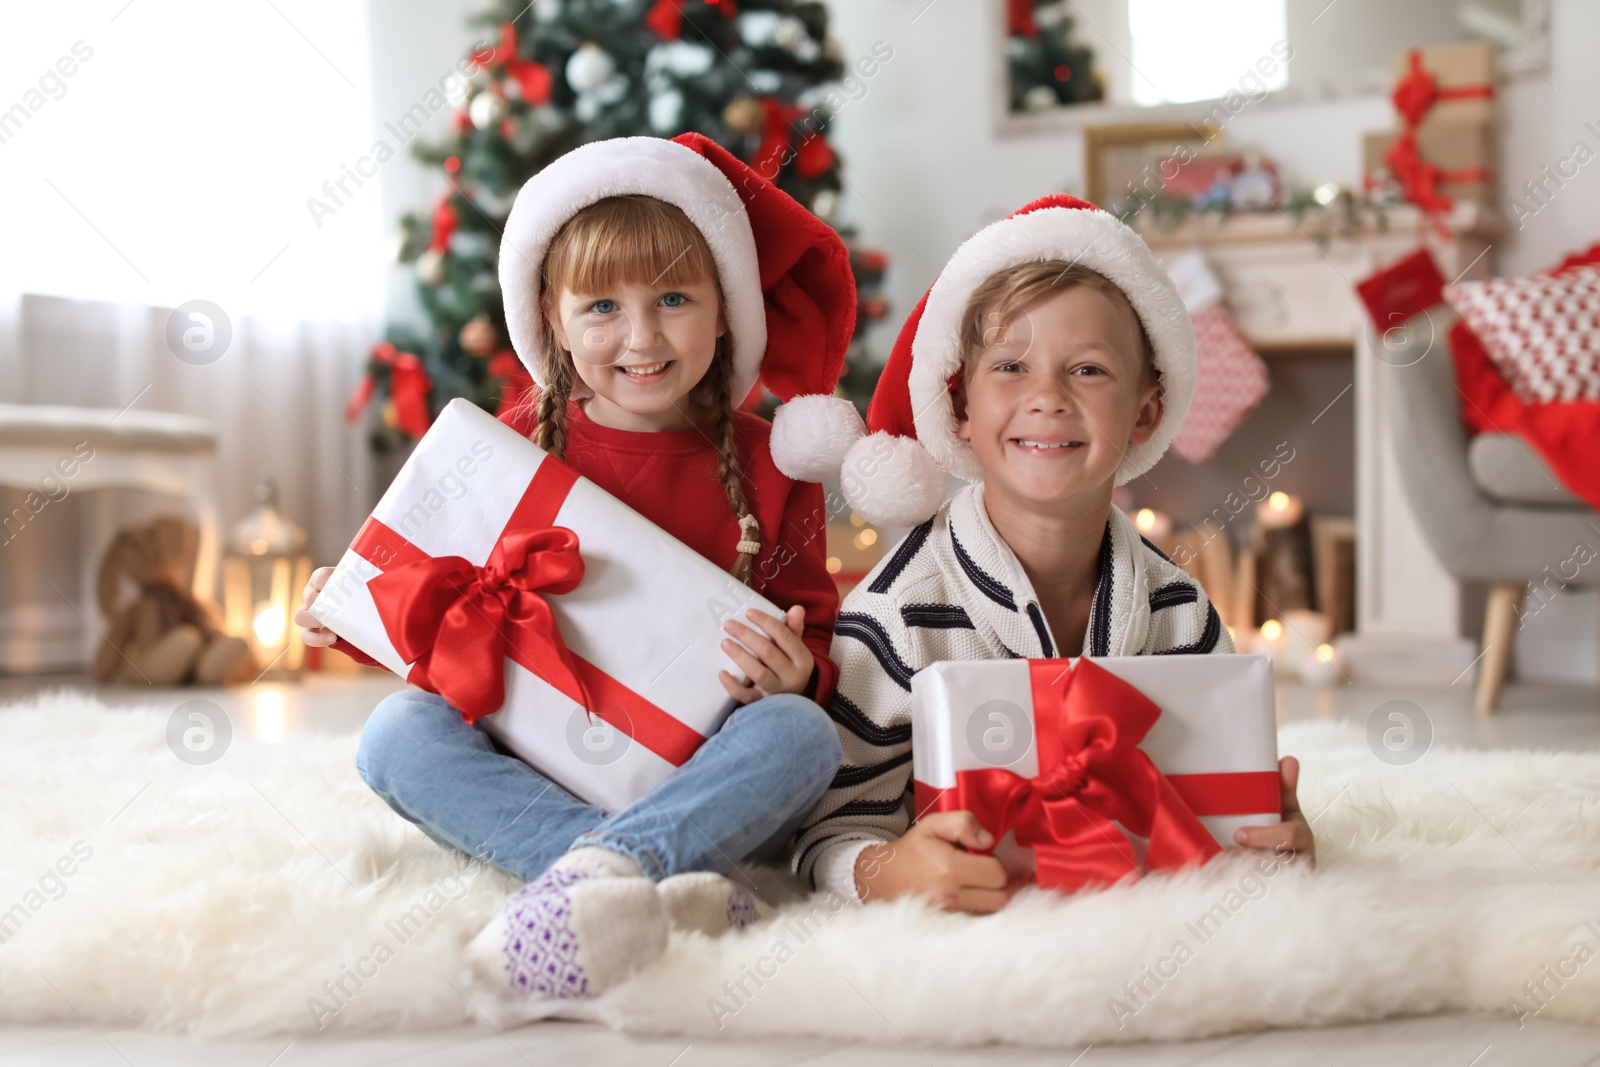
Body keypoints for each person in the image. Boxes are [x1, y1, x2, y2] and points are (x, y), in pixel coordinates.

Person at [295, 135, 857, 998]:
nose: (641, 336)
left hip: (692, 761)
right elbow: (440, 615)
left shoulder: (774, 461)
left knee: (804, 737)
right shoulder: (503, 445)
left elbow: (814, 632)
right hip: (528, 753)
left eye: (673, 297)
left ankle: (591, 876)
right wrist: (349, 613)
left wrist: (797, 671)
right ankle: (649, 879)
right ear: (552, 319)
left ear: (723, 313)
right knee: (395, 734)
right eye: (602, 307)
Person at [774, 195, 1316, 912]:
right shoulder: (894, 615)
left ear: (1145, 412)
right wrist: (886, 872)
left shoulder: (1179, 612)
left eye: (1088, 370)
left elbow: (1217, 820)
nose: (1047, 398)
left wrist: (1278, 837)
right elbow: (824, 834)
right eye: (1010, 367)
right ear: (959, 407)